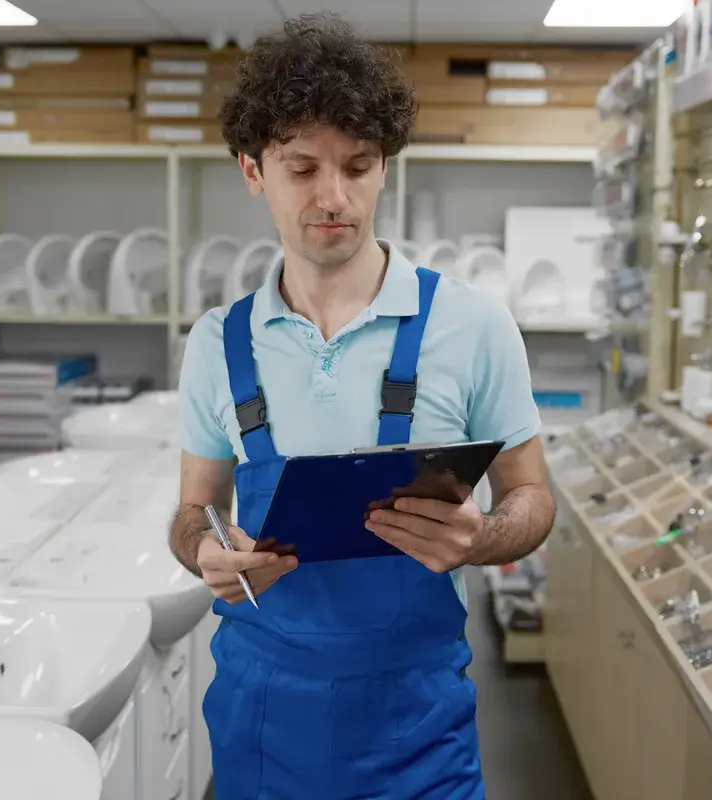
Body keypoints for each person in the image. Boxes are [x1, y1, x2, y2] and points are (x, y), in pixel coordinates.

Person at [169, 12, 556, 799]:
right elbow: (190, 513)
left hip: (418, 726)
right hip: (261, 718)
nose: (333, 196)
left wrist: (483, 538)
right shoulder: (216, 343)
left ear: (386, 168)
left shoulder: (474, 325)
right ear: (253, 170)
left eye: (359, 164)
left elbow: (534, 496)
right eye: (302, 168)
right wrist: (205, 551)